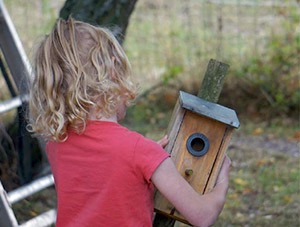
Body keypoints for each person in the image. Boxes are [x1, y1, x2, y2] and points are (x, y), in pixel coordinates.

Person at [28, 17, 231, 227]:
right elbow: (202, 216)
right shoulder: (139, 151)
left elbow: (105, 185)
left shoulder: (57, 145)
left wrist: (145, 161)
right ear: (114, 74)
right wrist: (221, 179)